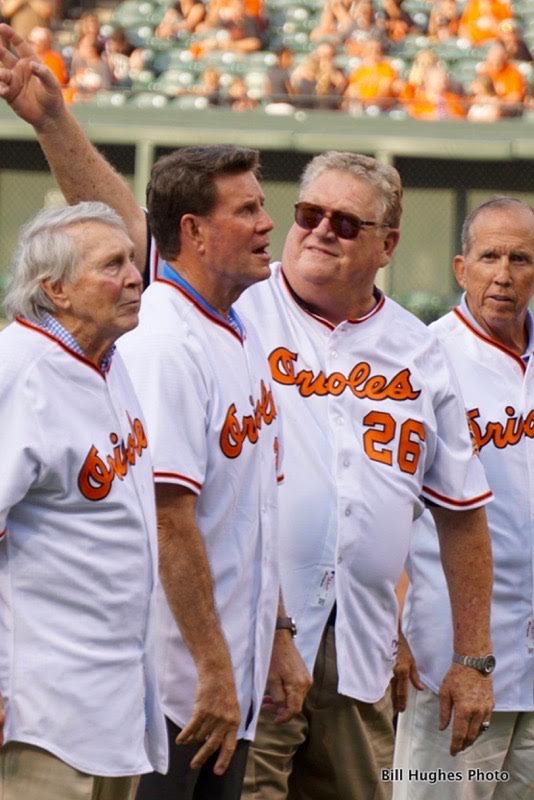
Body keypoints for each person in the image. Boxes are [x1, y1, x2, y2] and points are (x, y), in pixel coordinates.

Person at [0, 25, 495, 800]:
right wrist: (54, 121)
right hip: (211, 662)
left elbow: (461, 512)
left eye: (344, 223)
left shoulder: (416, 346)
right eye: (306, 213)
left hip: (351, 647)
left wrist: (469, 655)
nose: (311, 231)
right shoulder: (237, 301)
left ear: (389, 244)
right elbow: (126, 225)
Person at [0, 201, 168, 799]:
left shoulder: (108, 359)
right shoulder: (19, 369)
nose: (135, 276)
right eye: (112, 265)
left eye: (132, 260)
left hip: (113, 708)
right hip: (39, 716)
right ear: (56, 290)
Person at [393, 196, 534, 799]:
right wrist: (394, 634)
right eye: (489, 257)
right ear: (460, 268)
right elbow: (385, 502)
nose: (503, 274)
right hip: (454, 657)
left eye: (521, 258)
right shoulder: (423, 357)